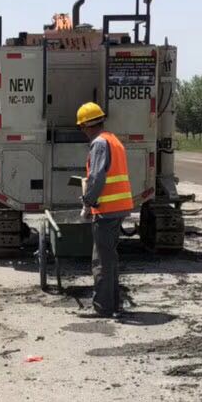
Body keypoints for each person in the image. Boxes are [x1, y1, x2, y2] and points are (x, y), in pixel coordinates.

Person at [77, 101, 133, 316]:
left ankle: (103, 307)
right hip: (118, 207)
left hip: (107, 209)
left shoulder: (99, 143)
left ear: (87, 125)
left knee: (101, 260)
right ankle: (113, 304)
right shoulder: (113, 140)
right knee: (109, 259)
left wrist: (88, 201)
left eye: (82, 127)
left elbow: (97, 177)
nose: (82, 131)